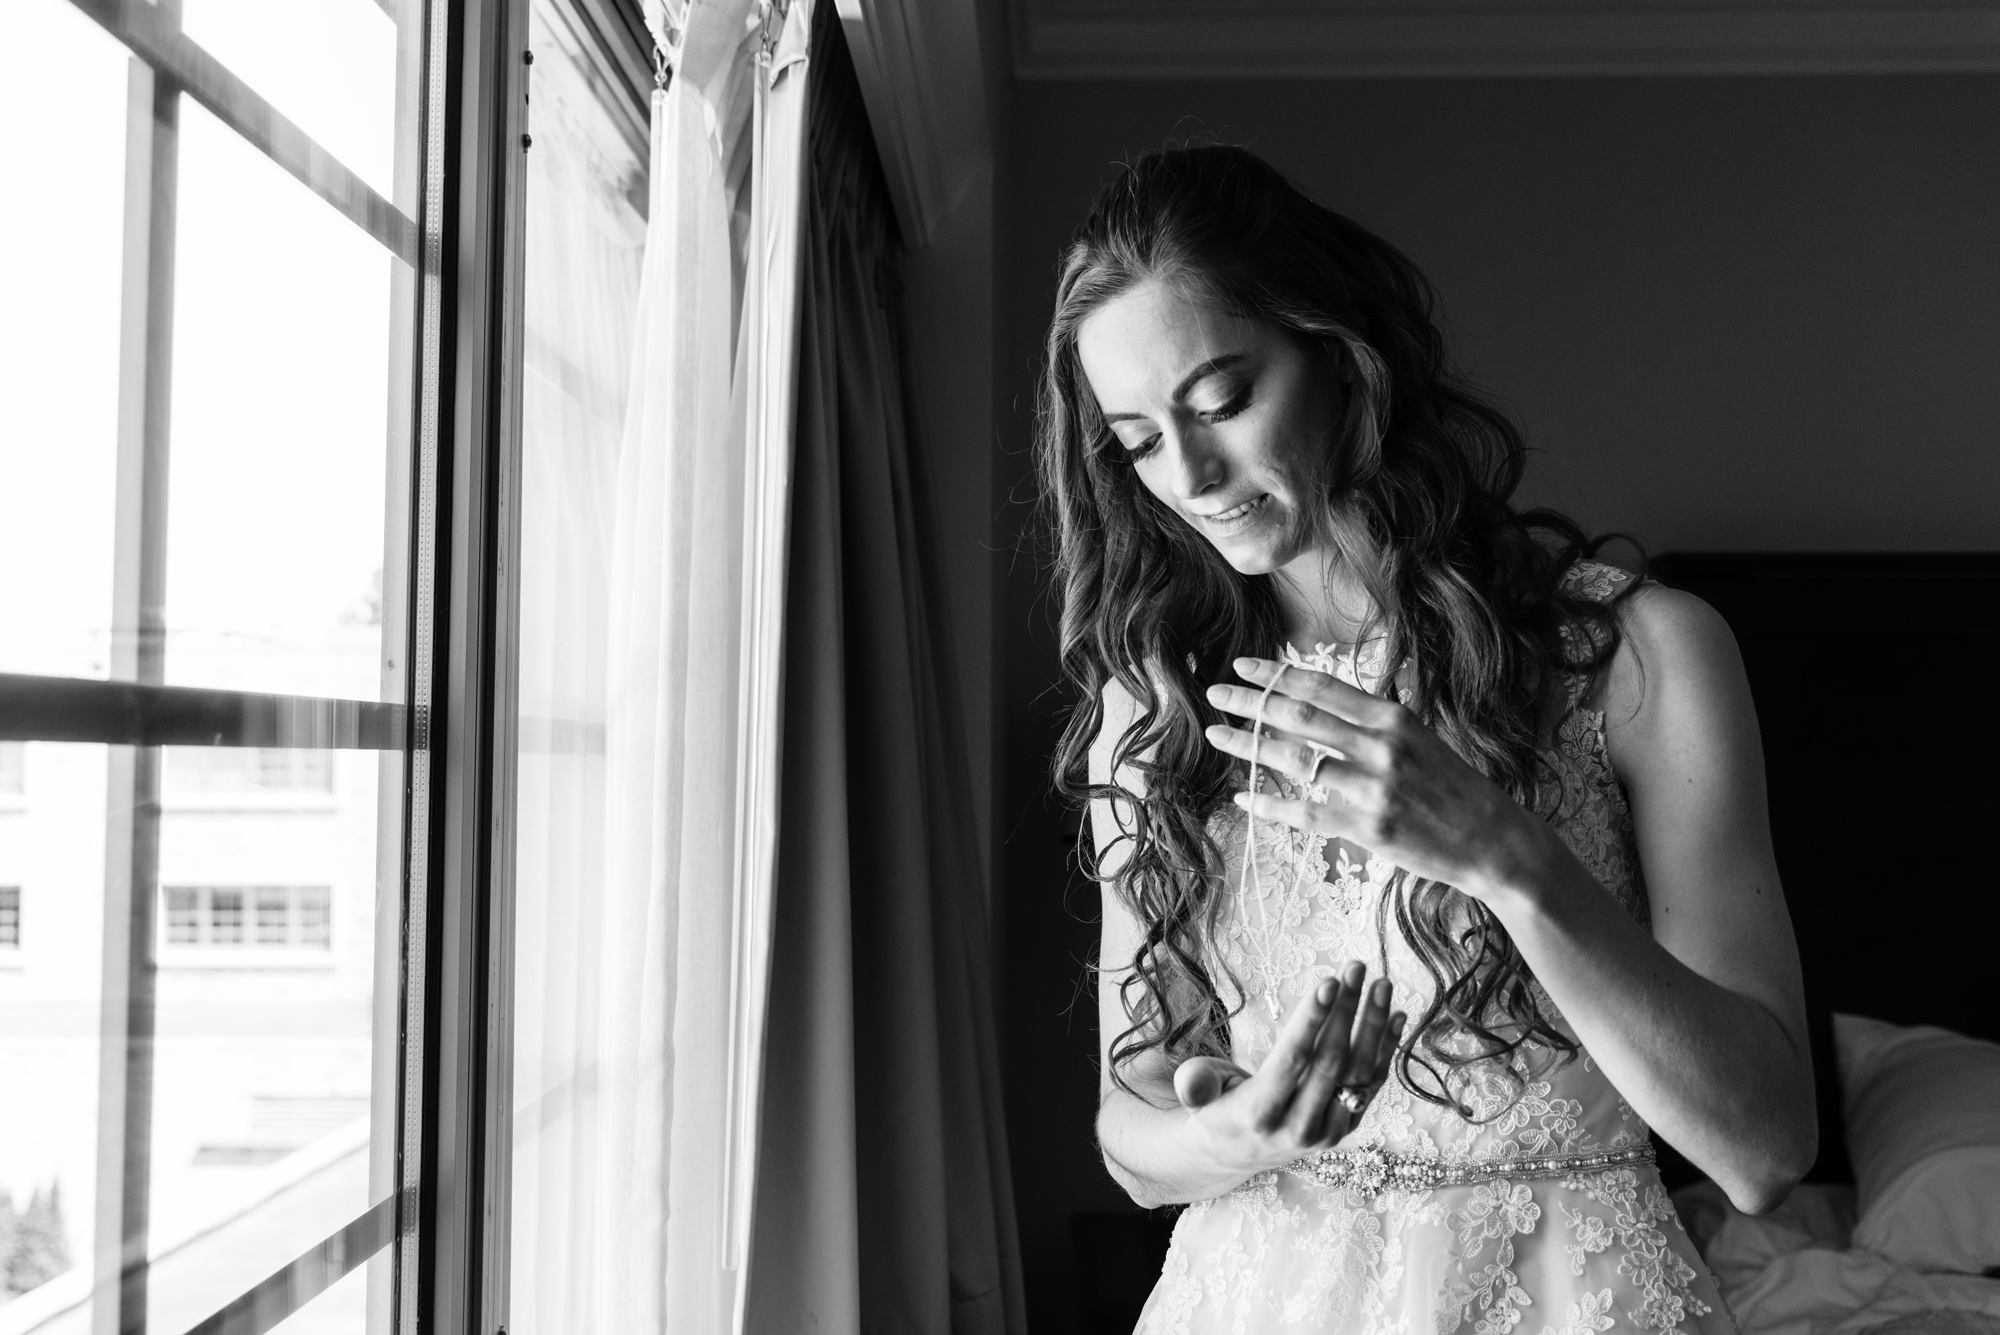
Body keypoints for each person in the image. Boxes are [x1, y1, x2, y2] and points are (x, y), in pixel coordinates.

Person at [1037, 144, 1815, 1335]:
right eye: (1138, 441)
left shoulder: (1636, 659)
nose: (1187, 477)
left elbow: (1764, 1150)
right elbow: (1130, 1137)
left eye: (1219, 403)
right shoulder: (1155, 717)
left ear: (1338, 357)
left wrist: (1506, 855)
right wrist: (1231, 1132)